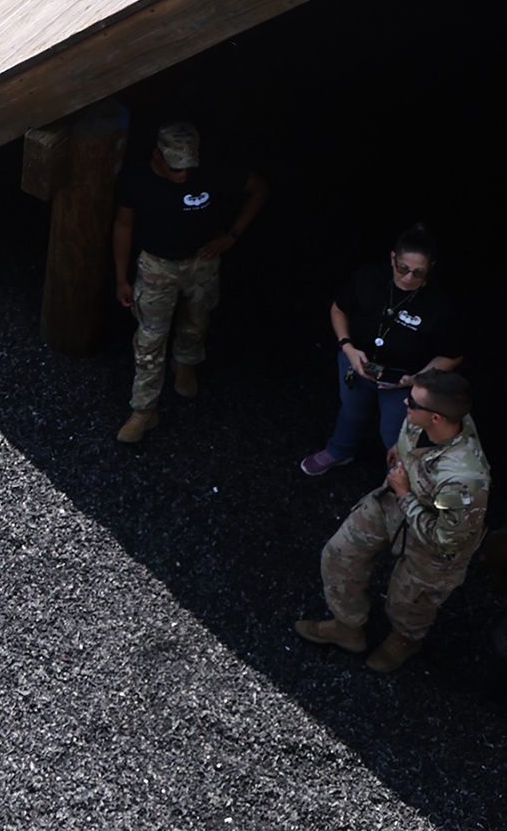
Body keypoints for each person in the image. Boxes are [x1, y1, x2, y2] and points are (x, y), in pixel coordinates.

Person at [296, 369, 489, 672]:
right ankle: (348, 627)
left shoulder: (465, 479)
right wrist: (400, 451)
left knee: (409, 601)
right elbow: (411, 431)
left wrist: (404, 495)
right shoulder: (430, 420)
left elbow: (447, 539)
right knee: (339, 555)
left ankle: (406, 639)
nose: (404, 404)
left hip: (433, 542)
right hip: (396, 501)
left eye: (412, 403)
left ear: (436, 418)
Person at [110, 121, 269, 443]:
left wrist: (232, 236)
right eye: (174, 169)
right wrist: (121, 278)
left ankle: (186, 363)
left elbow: (259, 188)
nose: (183, 175)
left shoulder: (211, 170)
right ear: (157, 155)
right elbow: (123, 226)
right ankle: (144, 410)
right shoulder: (136, 178)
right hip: (157, 265)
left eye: (188, 168)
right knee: (149, 340)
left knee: (197, 319)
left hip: (201, 262)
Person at [301, 226, 465, 476]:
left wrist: (418, 379)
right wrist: (347, 347)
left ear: (431, 266)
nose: (408, 278)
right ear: (392, 258)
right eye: (402, 268)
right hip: (356, 363)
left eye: (418, 272)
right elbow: (339, 309)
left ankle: (395, 482)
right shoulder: (369, 277)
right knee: (352, 410)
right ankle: (340, 450)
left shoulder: (440, 305)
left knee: (395, 431)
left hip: (403, 380)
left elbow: (453, 354)